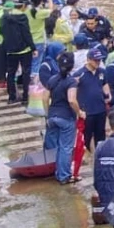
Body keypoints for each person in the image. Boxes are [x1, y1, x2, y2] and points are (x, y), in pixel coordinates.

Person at [45, 50, 83, 185]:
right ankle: (64, 176)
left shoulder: (52, 79)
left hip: (52, 116)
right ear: (72, 67)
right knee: (65, 148)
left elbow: (45, 98)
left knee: (54, 147)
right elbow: (72, 100)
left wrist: (47, 114)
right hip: (66, 118)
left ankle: (54, 171)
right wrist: (80, 112)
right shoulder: (71, 82)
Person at [76, 45, 110, 154]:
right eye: (95, 60)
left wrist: (108, 96)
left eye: (99, 60)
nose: (98, 62)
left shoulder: (102, 72)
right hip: (87, 112)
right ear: (88, 60)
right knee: (86, 136)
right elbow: (73, 93)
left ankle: (100, 155)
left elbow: (105, 85)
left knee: (101, 136)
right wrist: (78, 111)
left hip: (100, 110)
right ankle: (85, 155)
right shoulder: (78, 74)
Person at [3, 0, 36, 103]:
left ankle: (12, 97)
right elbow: (26, 33)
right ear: (23, 6)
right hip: (24, 50)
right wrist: (33, 47)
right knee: (26, 73)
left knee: (11, 73)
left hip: (10, 50)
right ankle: (25, 97)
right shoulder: (23, 17)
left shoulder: (5, 17)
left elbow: (2, 31)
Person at [28, 0, 54, 77]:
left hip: (28, 40)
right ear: (41, 2)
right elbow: (51, 9)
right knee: (36, 63)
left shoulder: (26, 11)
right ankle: (34, 85)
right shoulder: (41, 12)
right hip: (39, 41)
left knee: (29, 62)